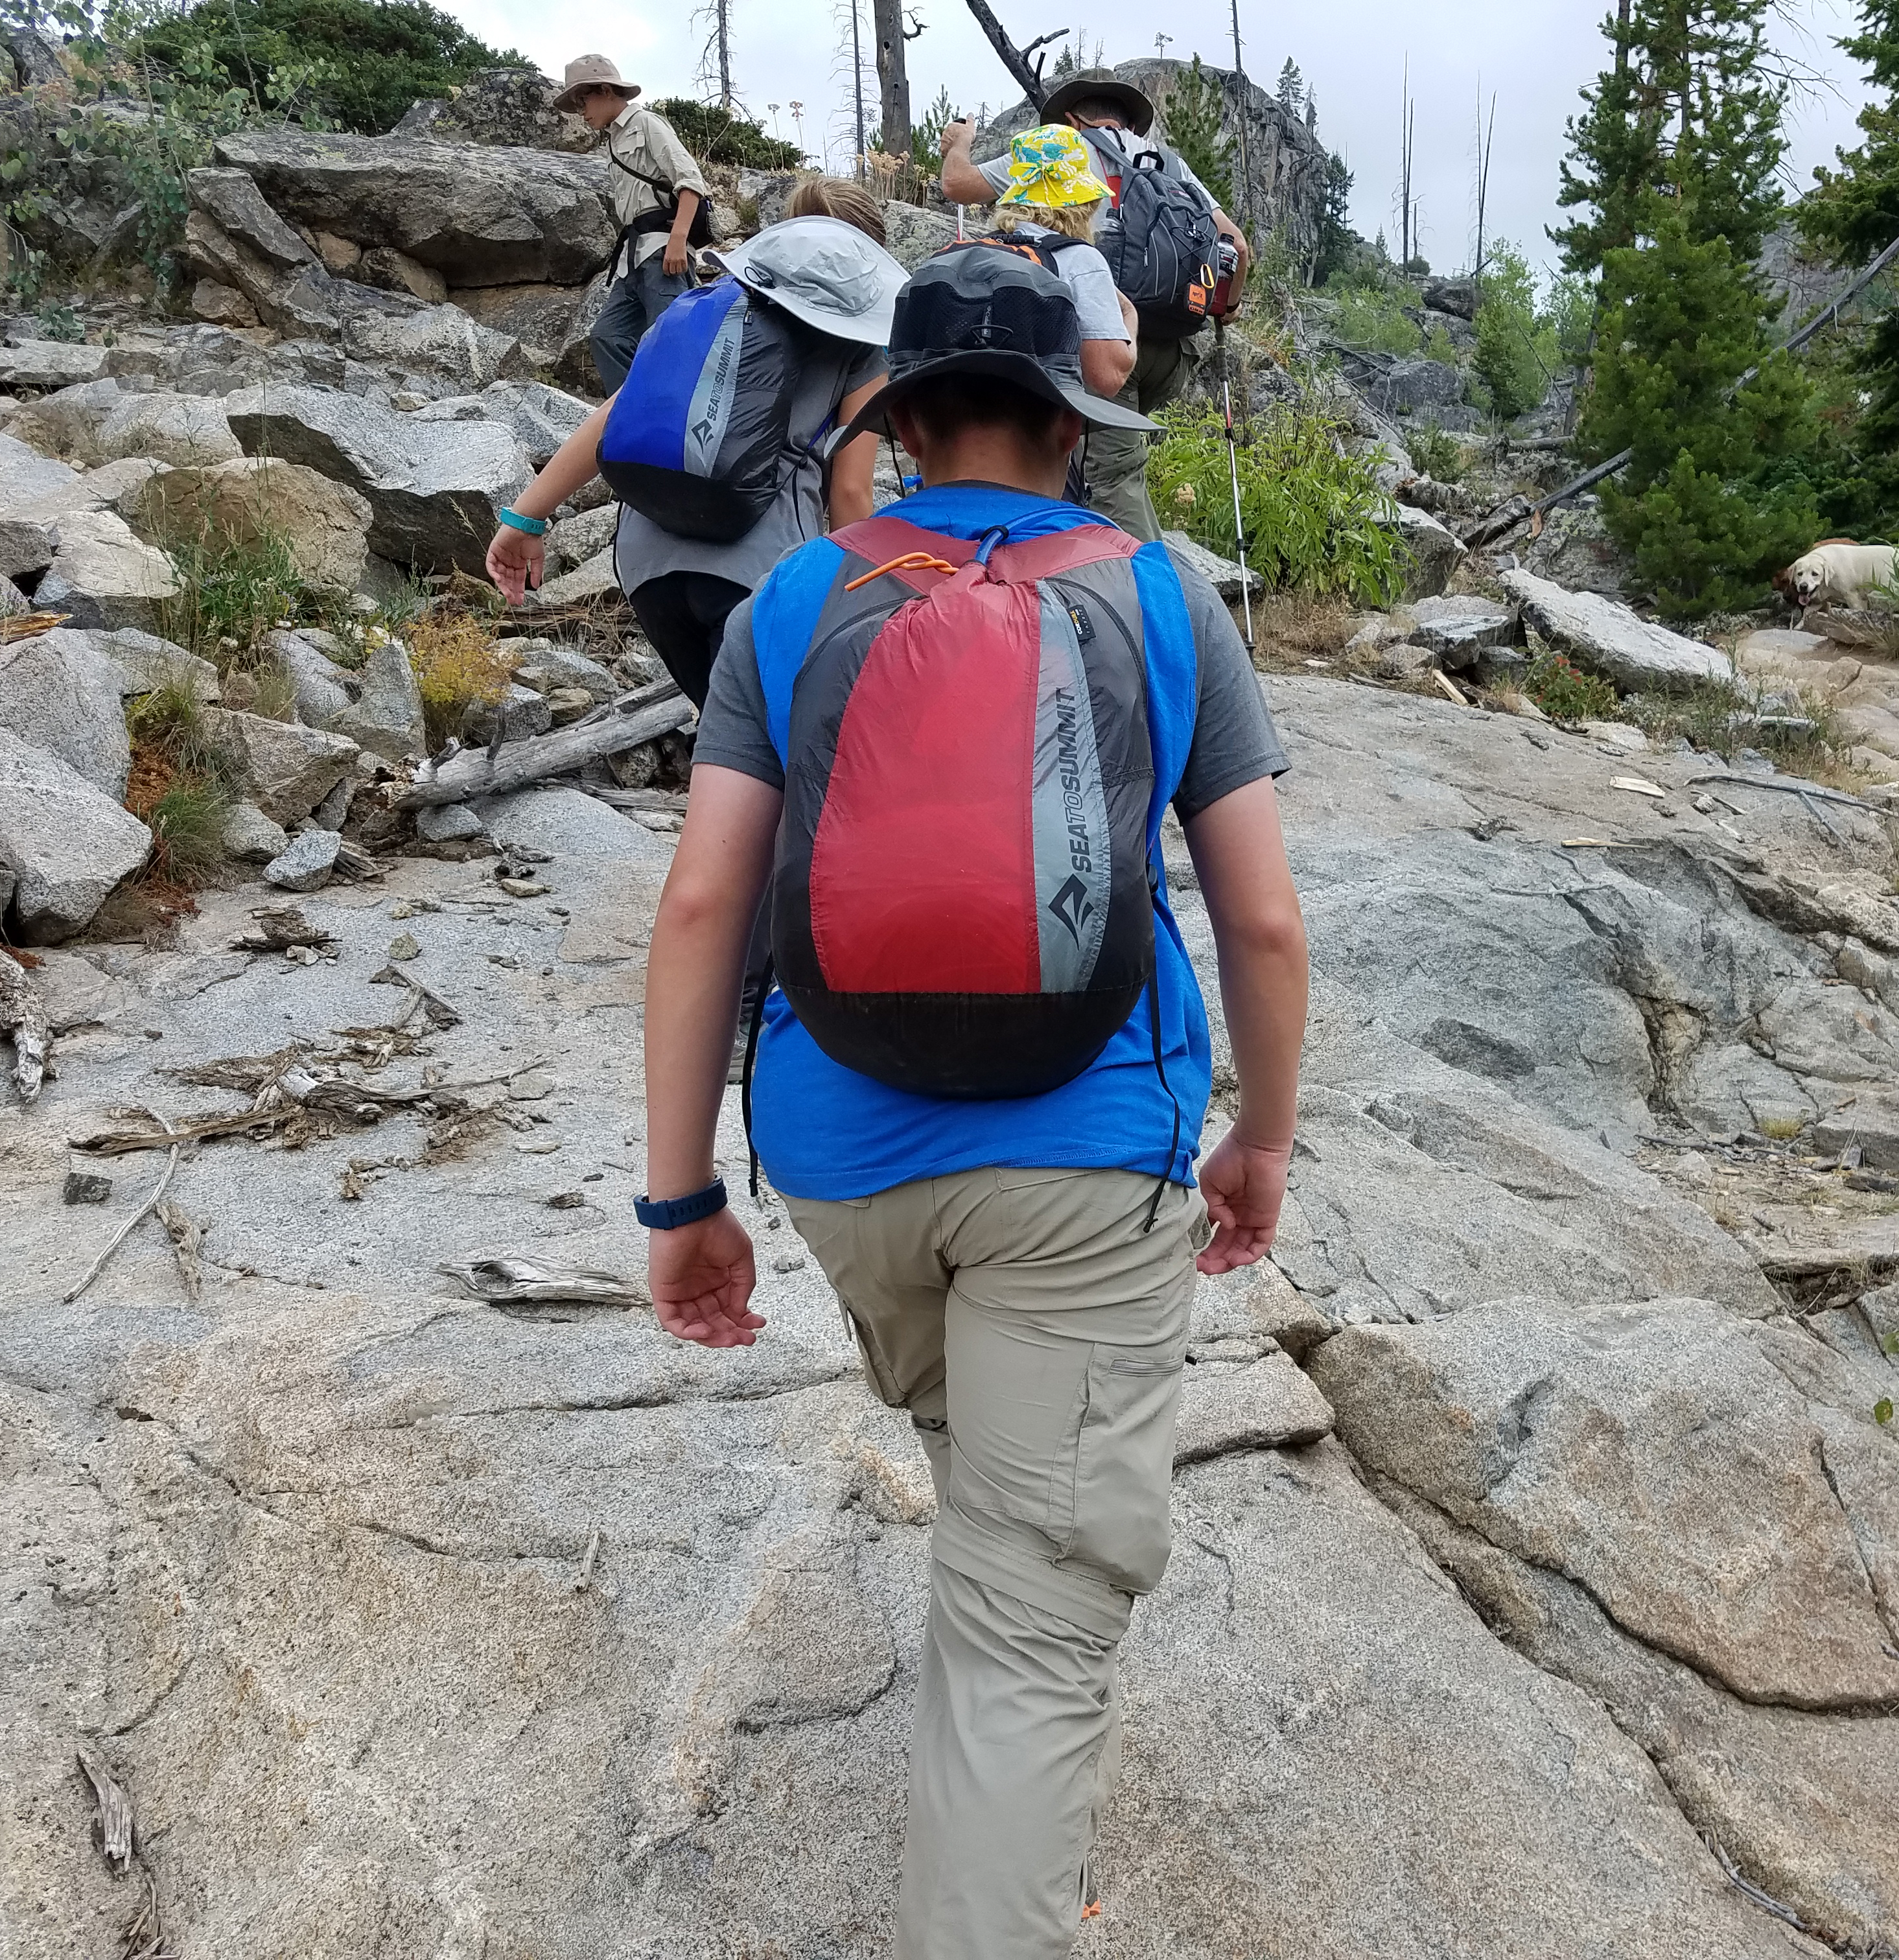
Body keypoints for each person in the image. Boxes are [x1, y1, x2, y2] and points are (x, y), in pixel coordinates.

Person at [635, 248, 1307, 1957]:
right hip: (1089, 1163)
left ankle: (1005, 1624)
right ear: (1071, 426)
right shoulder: (1163, 595)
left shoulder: (794, 601)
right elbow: (1265, 916)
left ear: (909, 420)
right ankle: (1001, 1857)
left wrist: (681, 1202)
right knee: (1032, 1630)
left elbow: (707, 903)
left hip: (847, 1160)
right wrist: (1265, 1136)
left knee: (985, 1474)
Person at [482, 212, 906, 706]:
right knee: (774, 754)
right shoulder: (857, 351)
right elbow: (851, 492)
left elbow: (611, 419)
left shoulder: (696, 312)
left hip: (648, 569)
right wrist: (860, 605)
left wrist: (524, 519)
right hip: (761, 574)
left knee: (725, 735)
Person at [940, 68, 1248, 540]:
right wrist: (1227, 306)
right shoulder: (1170, 163)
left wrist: (959, 144)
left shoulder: (1063, 149)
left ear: (1072, 118)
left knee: (1111, 477)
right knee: (1112, 466)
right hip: (1174, 349)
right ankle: (1090, 563)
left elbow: (959, 185)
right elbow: (1237, 246)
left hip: (1105, 338)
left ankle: (1141, 594)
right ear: (1127, 120)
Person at [555, 54, 711, 393]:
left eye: (585, 100)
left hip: (662, 250)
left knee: (671, 338)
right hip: (633, 258)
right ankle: (636, 410)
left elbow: (691, 182)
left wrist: (677, 240)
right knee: (608, 336)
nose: (583, 111)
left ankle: (677, 413)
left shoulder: (647, 124)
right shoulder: (613, 141)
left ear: (607, 90)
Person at [986, 123, 1134, 404]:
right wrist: (1131, 317)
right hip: (1034, 428)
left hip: (959, 422)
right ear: (1084, 203)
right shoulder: (1080, 259)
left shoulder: (986, 250)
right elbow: (1108, 377)